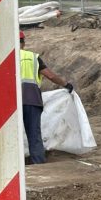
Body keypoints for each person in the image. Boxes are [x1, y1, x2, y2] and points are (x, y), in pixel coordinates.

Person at [19, 30, 73, 164]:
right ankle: (38, 162)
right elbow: (51, 76)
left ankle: (13, 164)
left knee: (11, 135)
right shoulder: (32, 57)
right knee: (34, 134)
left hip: (11, 104)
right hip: (31, 100)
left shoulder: (3, 58)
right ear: (23, 43)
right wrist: (66, 84)